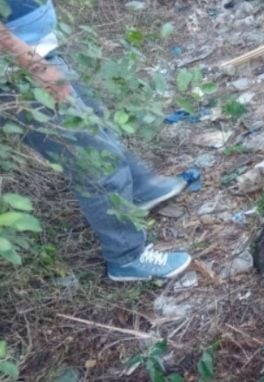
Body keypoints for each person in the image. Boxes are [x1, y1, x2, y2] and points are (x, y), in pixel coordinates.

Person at [0, 0, 192, 281]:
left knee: (96, 122)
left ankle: (138, 189)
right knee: (94, 161)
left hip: (38, 52)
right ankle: (127, 257)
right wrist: (35, 66)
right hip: (18, 75)